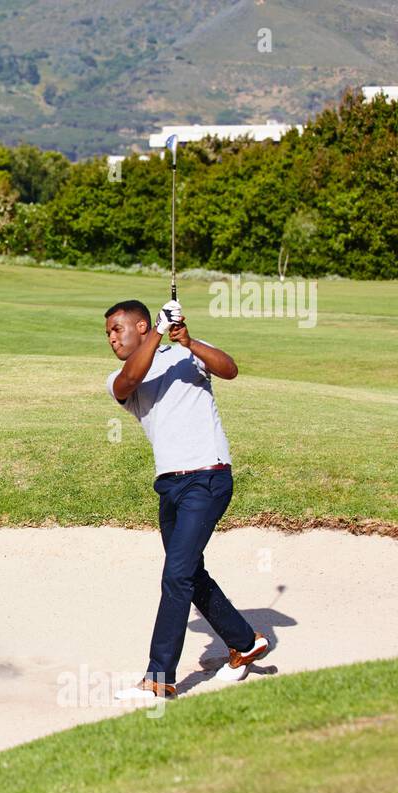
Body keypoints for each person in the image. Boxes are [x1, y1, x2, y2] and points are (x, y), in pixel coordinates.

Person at [103, 298, 269, 700]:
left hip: (208, 477)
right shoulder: (121, 377)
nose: (111, 339)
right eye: (107, 333)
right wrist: (161, 333)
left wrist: (188, 341)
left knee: (176, 575)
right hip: (170, 486)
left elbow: (229, 370)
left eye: (117, 329)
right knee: (189, 574)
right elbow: (129, 379)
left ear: (140, 326)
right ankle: (245, 642)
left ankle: (159, 679)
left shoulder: (187, 353)